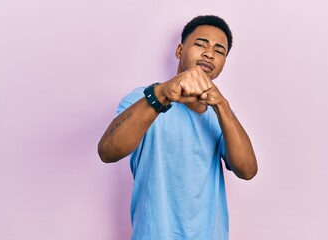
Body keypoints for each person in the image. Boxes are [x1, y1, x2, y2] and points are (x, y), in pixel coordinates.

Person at [98, 15, 258, 240]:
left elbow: (247, 170)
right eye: (201, 44)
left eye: (219, 51)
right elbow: (108, 151)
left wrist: (222, 105)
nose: (209, 54)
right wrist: (162, 94)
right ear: (180, 51)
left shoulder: (221, 115)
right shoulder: (142, 99)